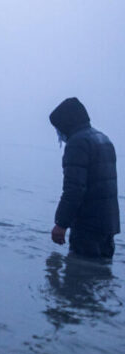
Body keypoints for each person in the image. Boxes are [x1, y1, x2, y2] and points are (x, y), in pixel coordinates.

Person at [49, 97, 119, 258]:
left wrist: (61, 224)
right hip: (108, 224)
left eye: (58, 128)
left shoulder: (77, 143)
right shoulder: (103, 139)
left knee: (79, 270)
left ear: (66, 123)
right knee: (101, 270)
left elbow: (74, 188)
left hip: (87, 226)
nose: (58, 133)